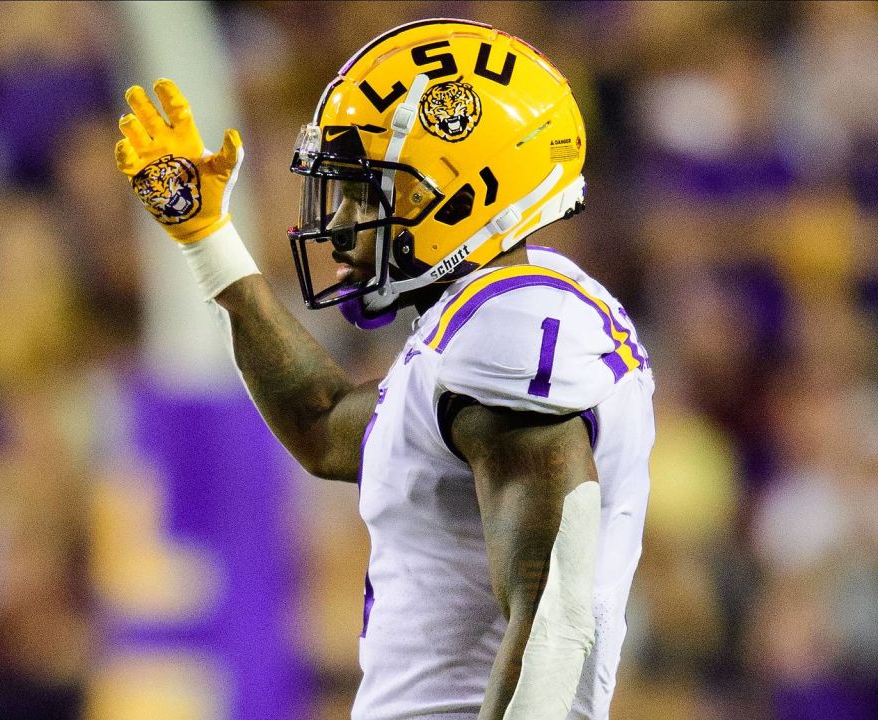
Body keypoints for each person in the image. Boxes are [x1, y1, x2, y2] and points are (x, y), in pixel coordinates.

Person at [114, 18, 654, 720]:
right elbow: (324, 424)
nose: (339, 224)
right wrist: (208, 240)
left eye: (367, 194)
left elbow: (555, 622)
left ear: (468, 196)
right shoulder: (486, 323)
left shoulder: (512, 335)